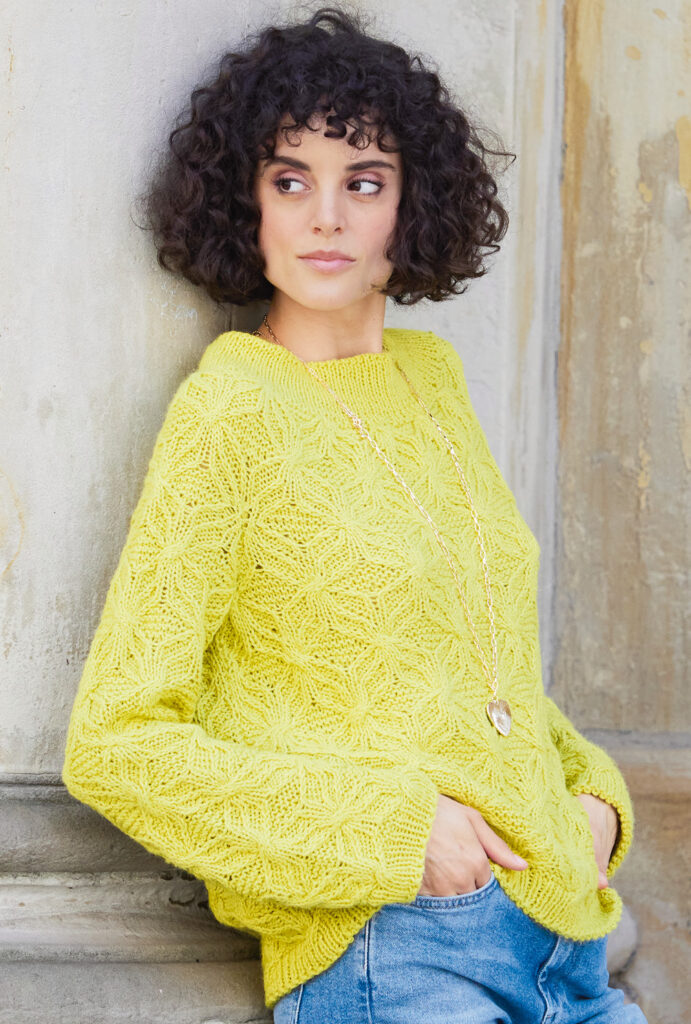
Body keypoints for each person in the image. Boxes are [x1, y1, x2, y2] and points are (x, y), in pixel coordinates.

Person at [61, 6, 649, 1022]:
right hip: (396, 947)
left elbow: (473, 667)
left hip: (565, 941)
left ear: (410, 206)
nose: (325, 217)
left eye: (363, 182)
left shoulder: (432, 378)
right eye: (290, 181)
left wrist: (590, 793)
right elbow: (114, 743)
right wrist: (393, 832)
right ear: (243, 203)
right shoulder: (232, 408)